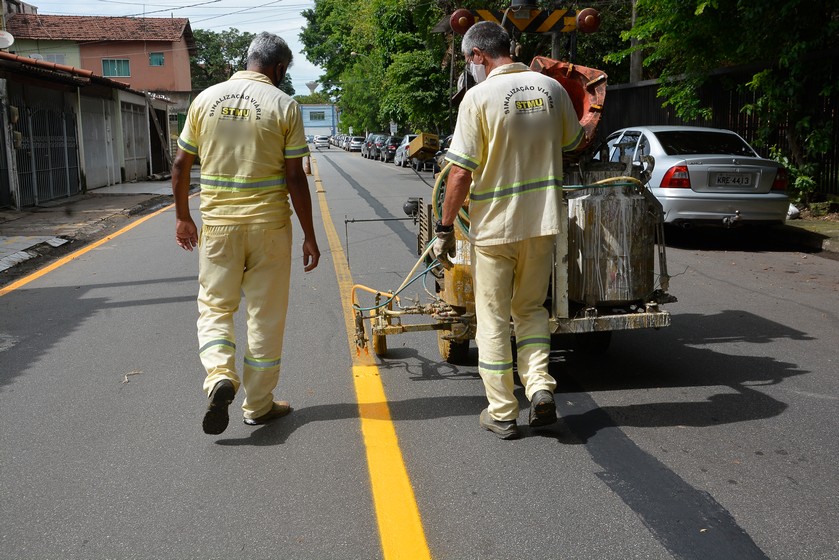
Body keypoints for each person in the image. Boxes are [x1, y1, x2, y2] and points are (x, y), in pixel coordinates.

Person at [433, 21, 584, 440]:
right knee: (532, 310)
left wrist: (444, 228)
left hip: (495, 229)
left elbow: (460, 173)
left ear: (479, 56)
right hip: (542, 224)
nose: (470, 68)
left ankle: (502, 411)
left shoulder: (477, 99)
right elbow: (572, 142)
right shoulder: (551, 88)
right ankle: (538, 386)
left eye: (468, 60)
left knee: (494, 319)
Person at [171, 32, 320, 435]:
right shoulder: (284, 105)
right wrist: (309, 235)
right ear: (278, 68)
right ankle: (258, 405)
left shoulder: (205, 100)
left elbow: (182, 164)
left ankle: (220, 374)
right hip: (269, 226)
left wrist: (184, 217)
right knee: (264, 318)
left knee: (216, 308)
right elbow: (294, 176)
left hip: (218, 227)